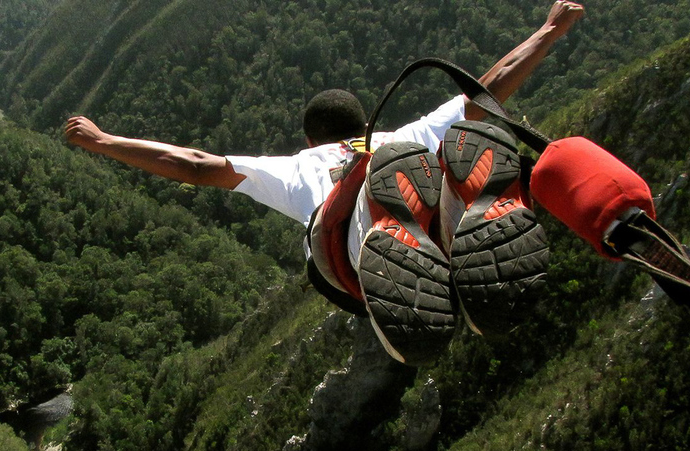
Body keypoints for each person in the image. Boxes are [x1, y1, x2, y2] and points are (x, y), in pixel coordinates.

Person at [65, 1, 585, 365]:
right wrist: (549, 29)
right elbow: (487, 91)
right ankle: (463, 212)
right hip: (417, 183)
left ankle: (386, 230)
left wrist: (104, 140)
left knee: (340, 235)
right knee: (435, 165)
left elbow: (198, 165)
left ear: (312, 139)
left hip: (359, 254)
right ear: (363, 127)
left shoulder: (299, 168)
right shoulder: (402, 135)